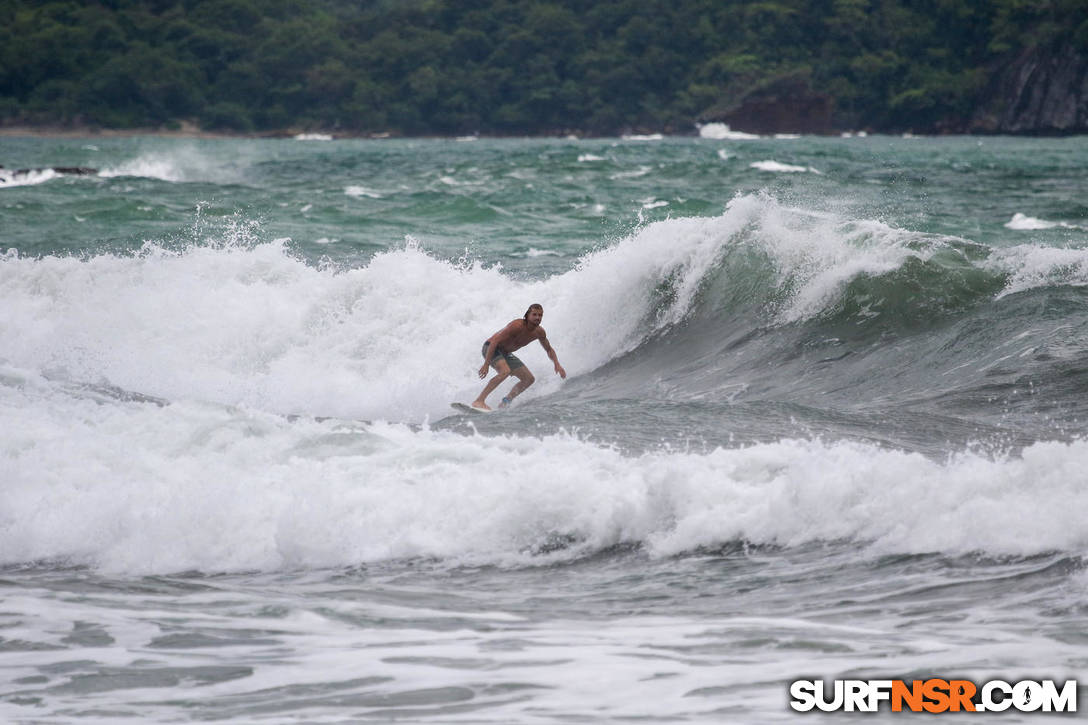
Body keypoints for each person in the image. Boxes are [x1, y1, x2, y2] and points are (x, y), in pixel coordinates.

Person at [472, 303, 566, 410]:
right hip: (491, 348)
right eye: (534, 314)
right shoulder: (516, 325)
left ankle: (505, 402)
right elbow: (495, 341)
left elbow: (548, 349)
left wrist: (557, 364)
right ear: (527, 315)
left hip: (505, 354)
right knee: (505, 371)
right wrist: (486, 364)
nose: (537, 318)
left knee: (529, 379)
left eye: (540, 315)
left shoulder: (539, 332)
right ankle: (479, 401)